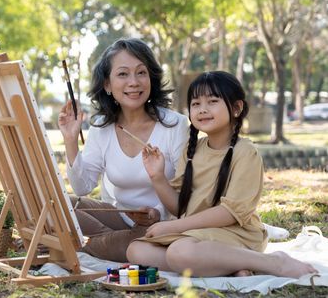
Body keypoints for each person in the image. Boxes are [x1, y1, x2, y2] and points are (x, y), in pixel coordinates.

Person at [127, 71, 318, 278]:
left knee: (179, 252)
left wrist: (173, 226)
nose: (202, 109)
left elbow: (229, 213)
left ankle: (272, 261)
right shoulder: (191, 151)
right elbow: (180, 207)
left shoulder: (246, 152)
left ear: (236, 108)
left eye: (212, 101)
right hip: (198, 234)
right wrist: (158, 177)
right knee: (136, 251)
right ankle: (228, 265)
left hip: (237, 234)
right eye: (196, 103)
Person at [58, 38, 188, 262]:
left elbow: (186, 194)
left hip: (162, 224)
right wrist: (71, 141)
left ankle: (96, 245)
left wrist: (157, 212)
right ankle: (108, 242)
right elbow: (82, 188)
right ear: (107, 85)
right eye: (123, 74)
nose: (134, 82)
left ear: (151, 78)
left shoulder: (175, 125)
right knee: (58, 204)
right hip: (118, 217)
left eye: (141, 73)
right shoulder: (102, 126)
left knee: (102, 241)